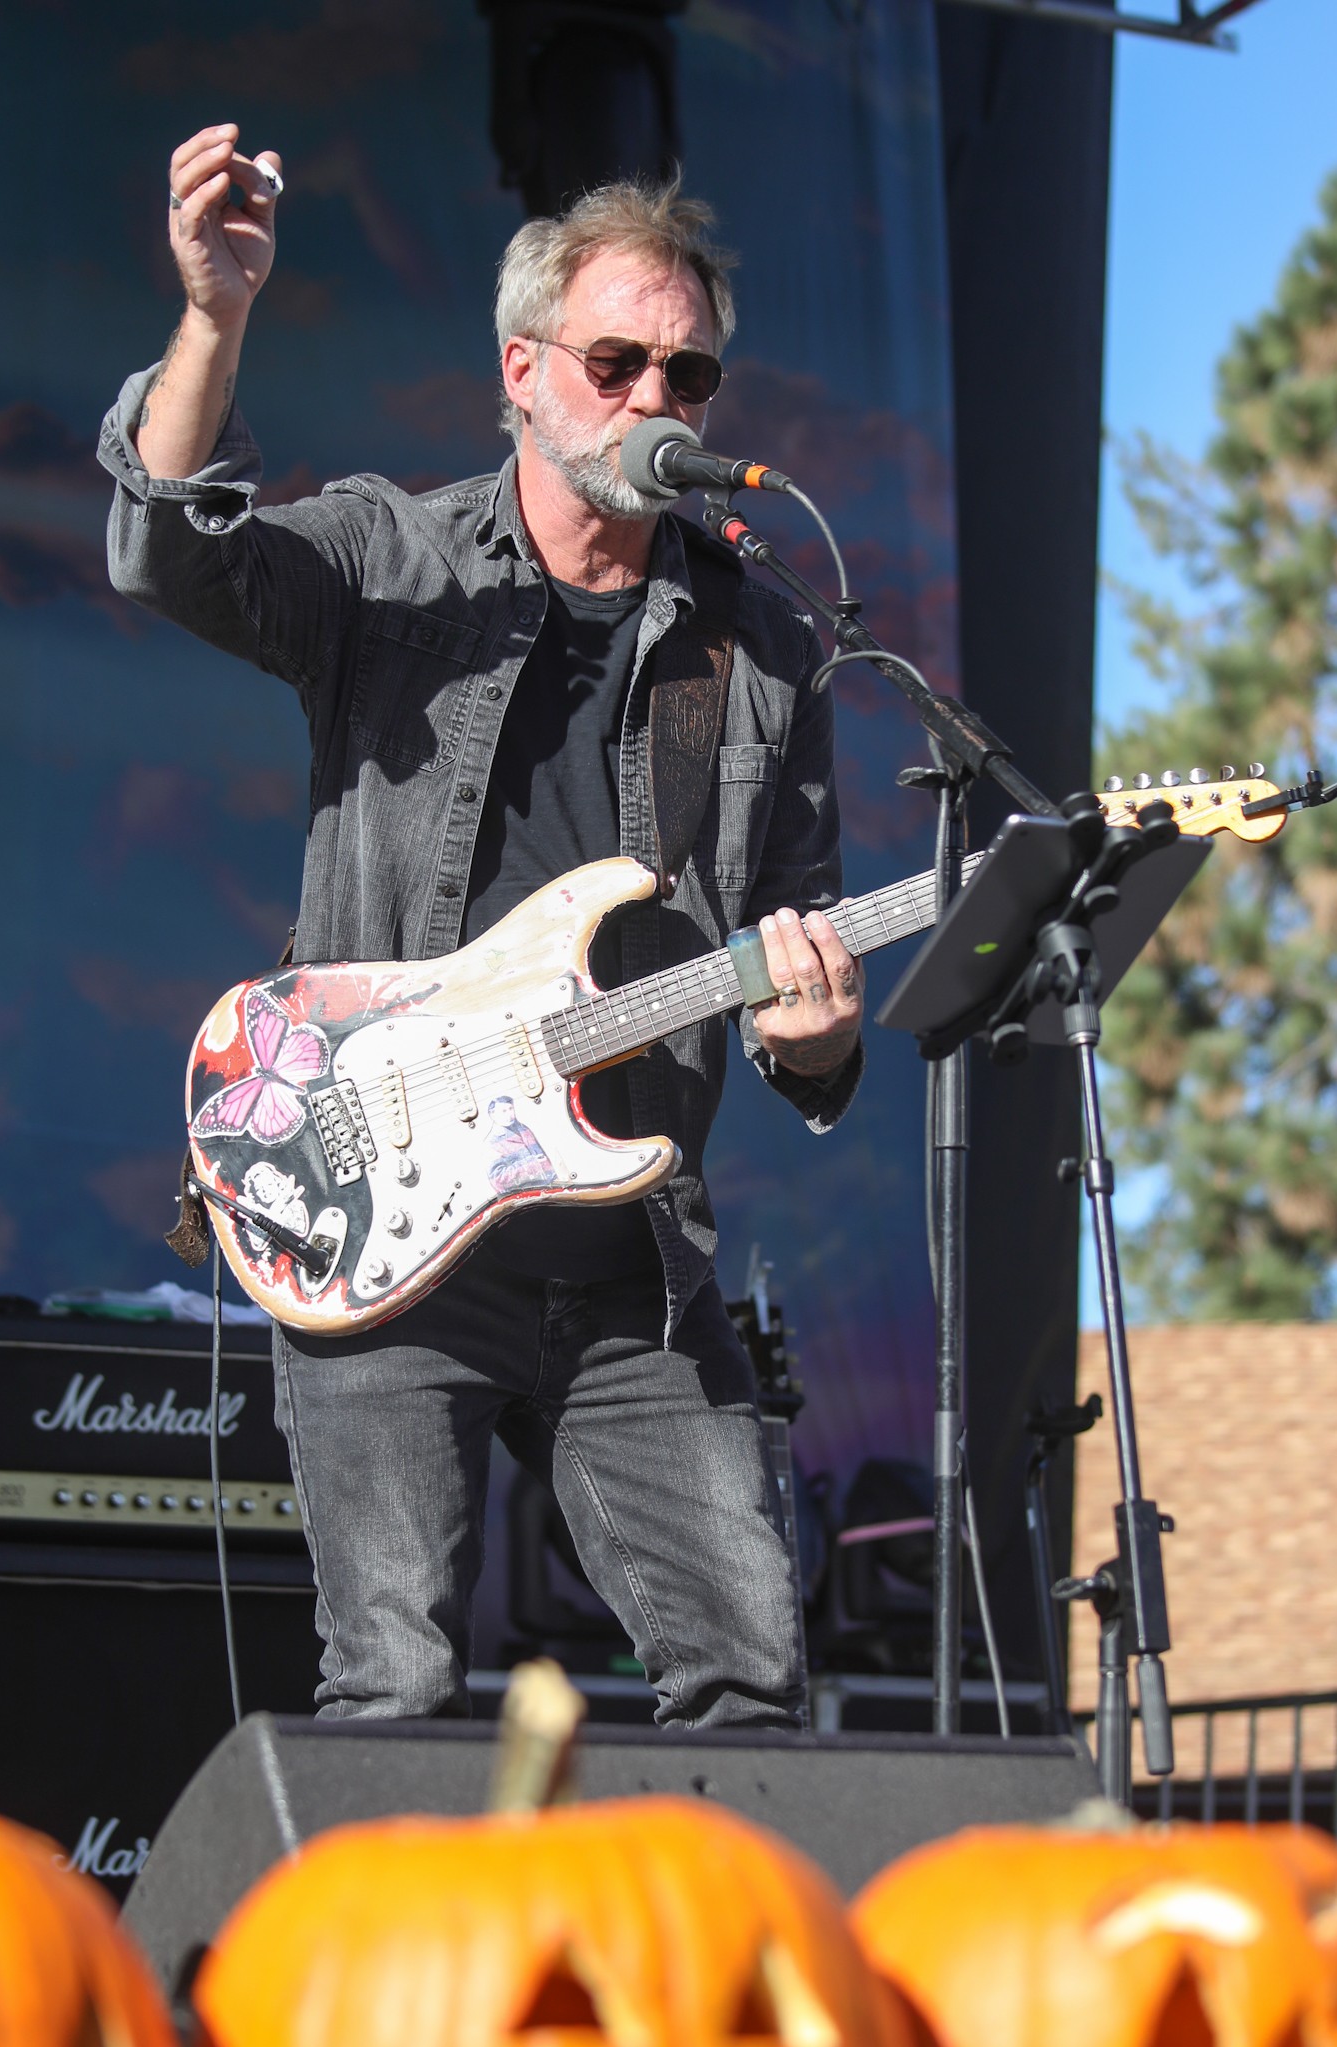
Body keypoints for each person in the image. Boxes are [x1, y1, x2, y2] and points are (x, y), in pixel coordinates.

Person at [98, 125, 864, 1732]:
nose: (656, 399)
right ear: (523, 371)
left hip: (630, 1259)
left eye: (690, 375)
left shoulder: (770, 647)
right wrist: (217, 318)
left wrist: (822, 1024)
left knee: (754, 1684)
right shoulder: (397, 558)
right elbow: (170, 551)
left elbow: (797, 956)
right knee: (390, 1694)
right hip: (381, 1229)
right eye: (615, 360)